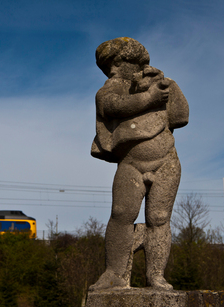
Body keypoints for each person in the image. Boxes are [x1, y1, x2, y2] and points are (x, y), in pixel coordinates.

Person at [90, 37, 188, 291]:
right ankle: (115, 274)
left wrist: (166, 86)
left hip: (166, 161)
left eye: (117, 62)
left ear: (134, 62)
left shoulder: (160, 83)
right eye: (107, 65)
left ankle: (156, 275)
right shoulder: (111, 89)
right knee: (121, 215)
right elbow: (111, 105)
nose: (111, 69)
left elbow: (181, 115)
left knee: (159, 217)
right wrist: (149, 98)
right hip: (131, 163)